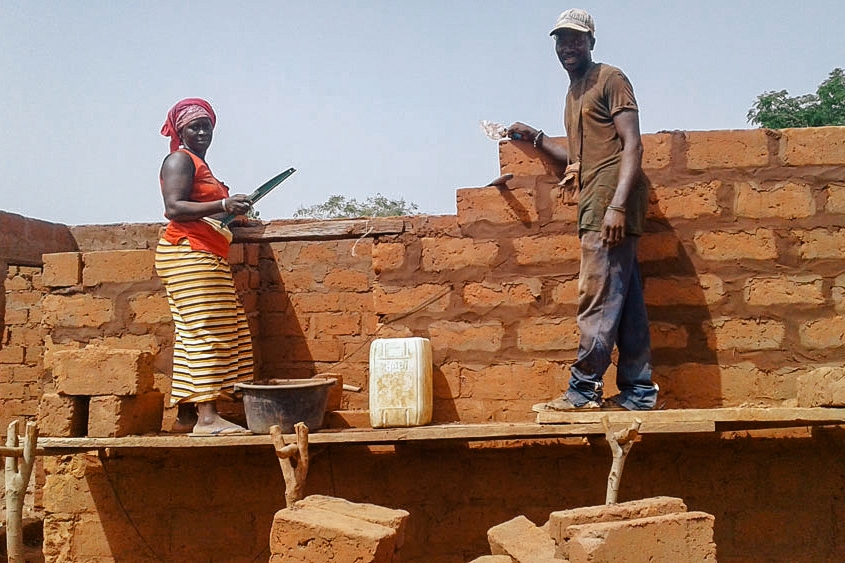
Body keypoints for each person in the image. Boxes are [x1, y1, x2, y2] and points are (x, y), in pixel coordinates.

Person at [509, 9, 658, 411]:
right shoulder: (575, 92)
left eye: (576, 39)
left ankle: (583, 389)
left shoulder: (610, 78)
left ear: (591, 42)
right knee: (625, 299)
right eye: (561, 40)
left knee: (596, 293)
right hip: (596, 196)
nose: (568, 47)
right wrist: (535, 138)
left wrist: (617, 207)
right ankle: (638, 391)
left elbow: (633, 146)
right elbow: (578, 159)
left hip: (609, 201)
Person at [155, 97, 255, 434]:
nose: (202, 131)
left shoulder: (199, 165)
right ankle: (208, 418)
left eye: (206, 126)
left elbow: (206, 210)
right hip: (188, 251)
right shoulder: (179, 160)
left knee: (200, 332)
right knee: (208, 330)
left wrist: (233, 216)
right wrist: (224, 201)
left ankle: (187, 414)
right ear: (181, 131)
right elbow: (174, 207)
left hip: (204, 251)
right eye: (195, 126)